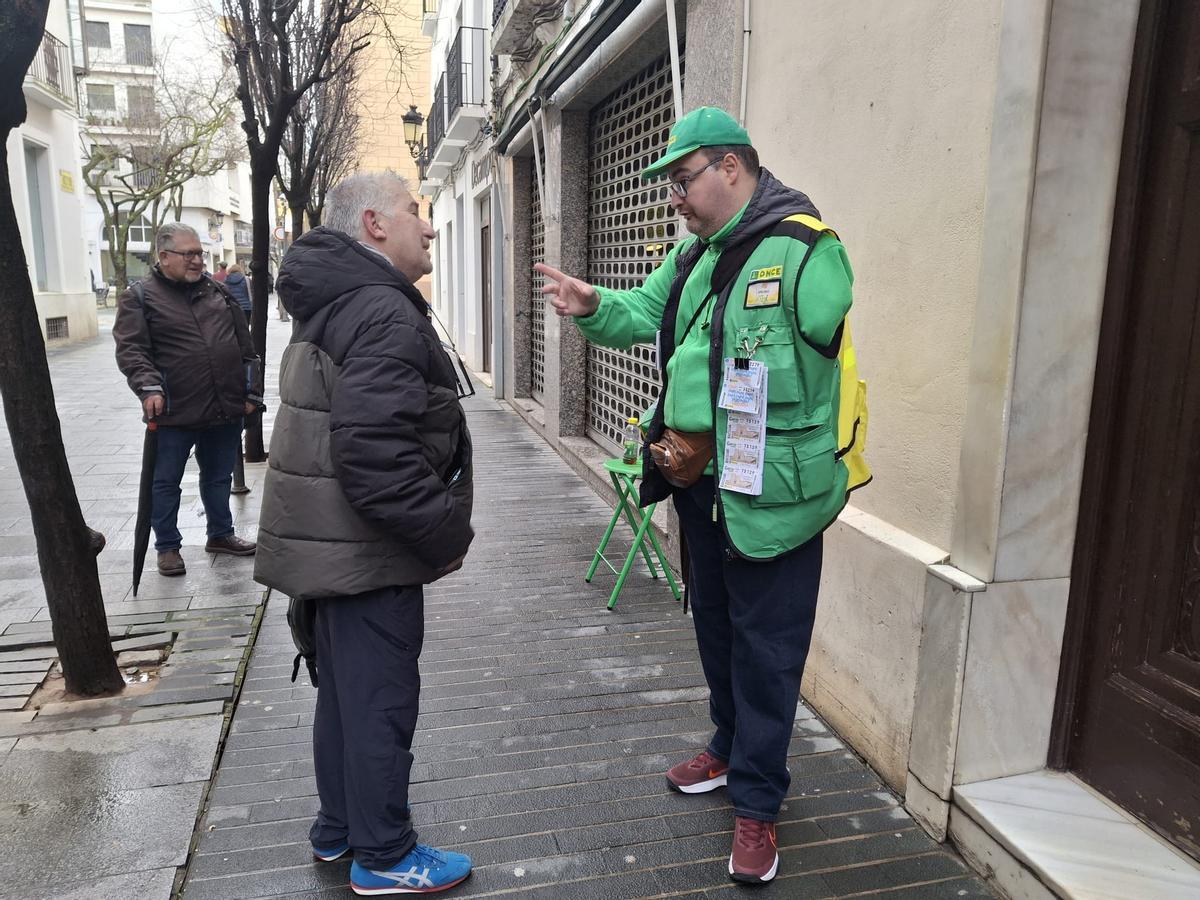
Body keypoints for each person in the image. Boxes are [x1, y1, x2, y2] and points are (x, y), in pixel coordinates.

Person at [537, 106, 859, 885]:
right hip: (700, 481)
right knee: (715, 627)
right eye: (671, 187)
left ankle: (758, 805)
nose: (673, 199)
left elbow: (822, 347)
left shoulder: (809, 251)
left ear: (731, 167)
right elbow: (643, 314)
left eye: (682, 181)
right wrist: (591, 304)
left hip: (774, 494)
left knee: (769, 651)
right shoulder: (692, 258)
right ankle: (726, 746)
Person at [254, 172, 475, 896]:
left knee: (346, 697)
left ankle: (340, 829)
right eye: (418, 211)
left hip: (330, 547)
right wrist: (443, 532)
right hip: (364, 551)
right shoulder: (380, 310)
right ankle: (384, 855)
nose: (431, 226)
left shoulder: (339, 301)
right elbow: (374, 452)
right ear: (375, 223)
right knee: (378, 701)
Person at [114, 223, 262, 577]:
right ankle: (167, 546)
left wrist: (251, 393)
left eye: (200, 253)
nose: (197, 260)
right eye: (189, 254)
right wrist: (150, 387)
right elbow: (132, 351)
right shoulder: (140, 297)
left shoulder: (219, 292)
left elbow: (247, 350)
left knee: (218, 476)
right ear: (164, 256)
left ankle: (220, 534)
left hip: (224, 405)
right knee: (164, 481)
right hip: (175, 409)